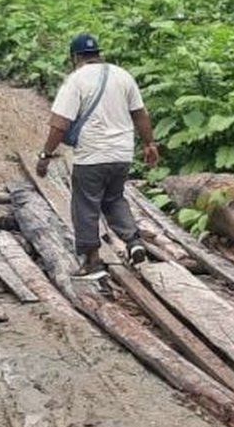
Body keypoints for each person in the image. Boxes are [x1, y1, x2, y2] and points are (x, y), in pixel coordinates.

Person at [36, 33, 160, 279]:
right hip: (121, 154)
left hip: (92, 156)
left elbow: (59, 124)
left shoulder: (76, 80)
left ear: (75, 57)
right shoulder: (123, 75)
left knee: (85, 204)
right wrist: (149, 144)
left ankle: (92, 262)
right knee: (114, 199)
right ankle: (134, 241)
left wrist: (46, 154)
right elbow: (140, 114)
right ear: (98, 54)